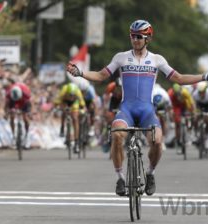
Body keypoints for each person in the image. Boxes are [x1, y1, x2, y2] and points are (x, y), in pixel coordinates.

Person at [67, 19, 208, 196]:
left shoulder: (157, 60)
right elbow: (101, 75)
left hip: (147, 111)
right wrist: (81, 73)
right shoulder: (121, 57)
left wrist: (203, 77)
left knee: (157, 140)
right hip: (127, 109)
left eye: (139, 37)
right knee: (117, 135)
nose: (135, 40)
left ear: (148, 38)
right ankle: (120, 177)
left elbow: (179, 78)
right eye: (132, 36)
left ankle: (150, 173)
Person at [53, 82, 86, 153]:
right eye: (70, 95)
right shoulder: (64, 90)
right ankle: (62, 127)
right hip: (65, 101)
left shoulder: (78, 92)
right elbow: (57, 101)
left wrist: (82, 109)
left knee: (75, 118)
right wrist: (56, 108)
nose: (71, 97)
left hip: (75, 102)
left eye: (72, 96)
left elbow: (82, 104)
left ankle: (76, 143)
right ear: (67, 93)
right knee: (64, 111)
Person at [168, 83, 195, 147]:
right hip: (176, 106)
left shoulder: (185, 92)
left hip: (185, 105)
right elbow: (169, 106)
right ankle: (178, 139)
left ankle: (188, 129)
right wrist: (171, 114)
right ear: (173, 92)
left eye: (179, 94)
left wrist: (193, 112)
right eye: (176, 94)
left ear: (181, 90)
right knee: (177, 122)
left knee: (188, 116)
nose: (178, 96)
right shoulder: (170, 93)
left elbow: (191, 103)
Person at [152, 83, 173, 150]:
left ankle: (158, 138)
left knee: (157, 120)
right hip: (158, 105)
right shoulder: (164, 92)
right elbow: (169, 107)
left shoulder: (152, 92)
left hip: (160, 105)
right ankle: (162, 138)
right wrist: (170, 117)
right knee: (163, 121)